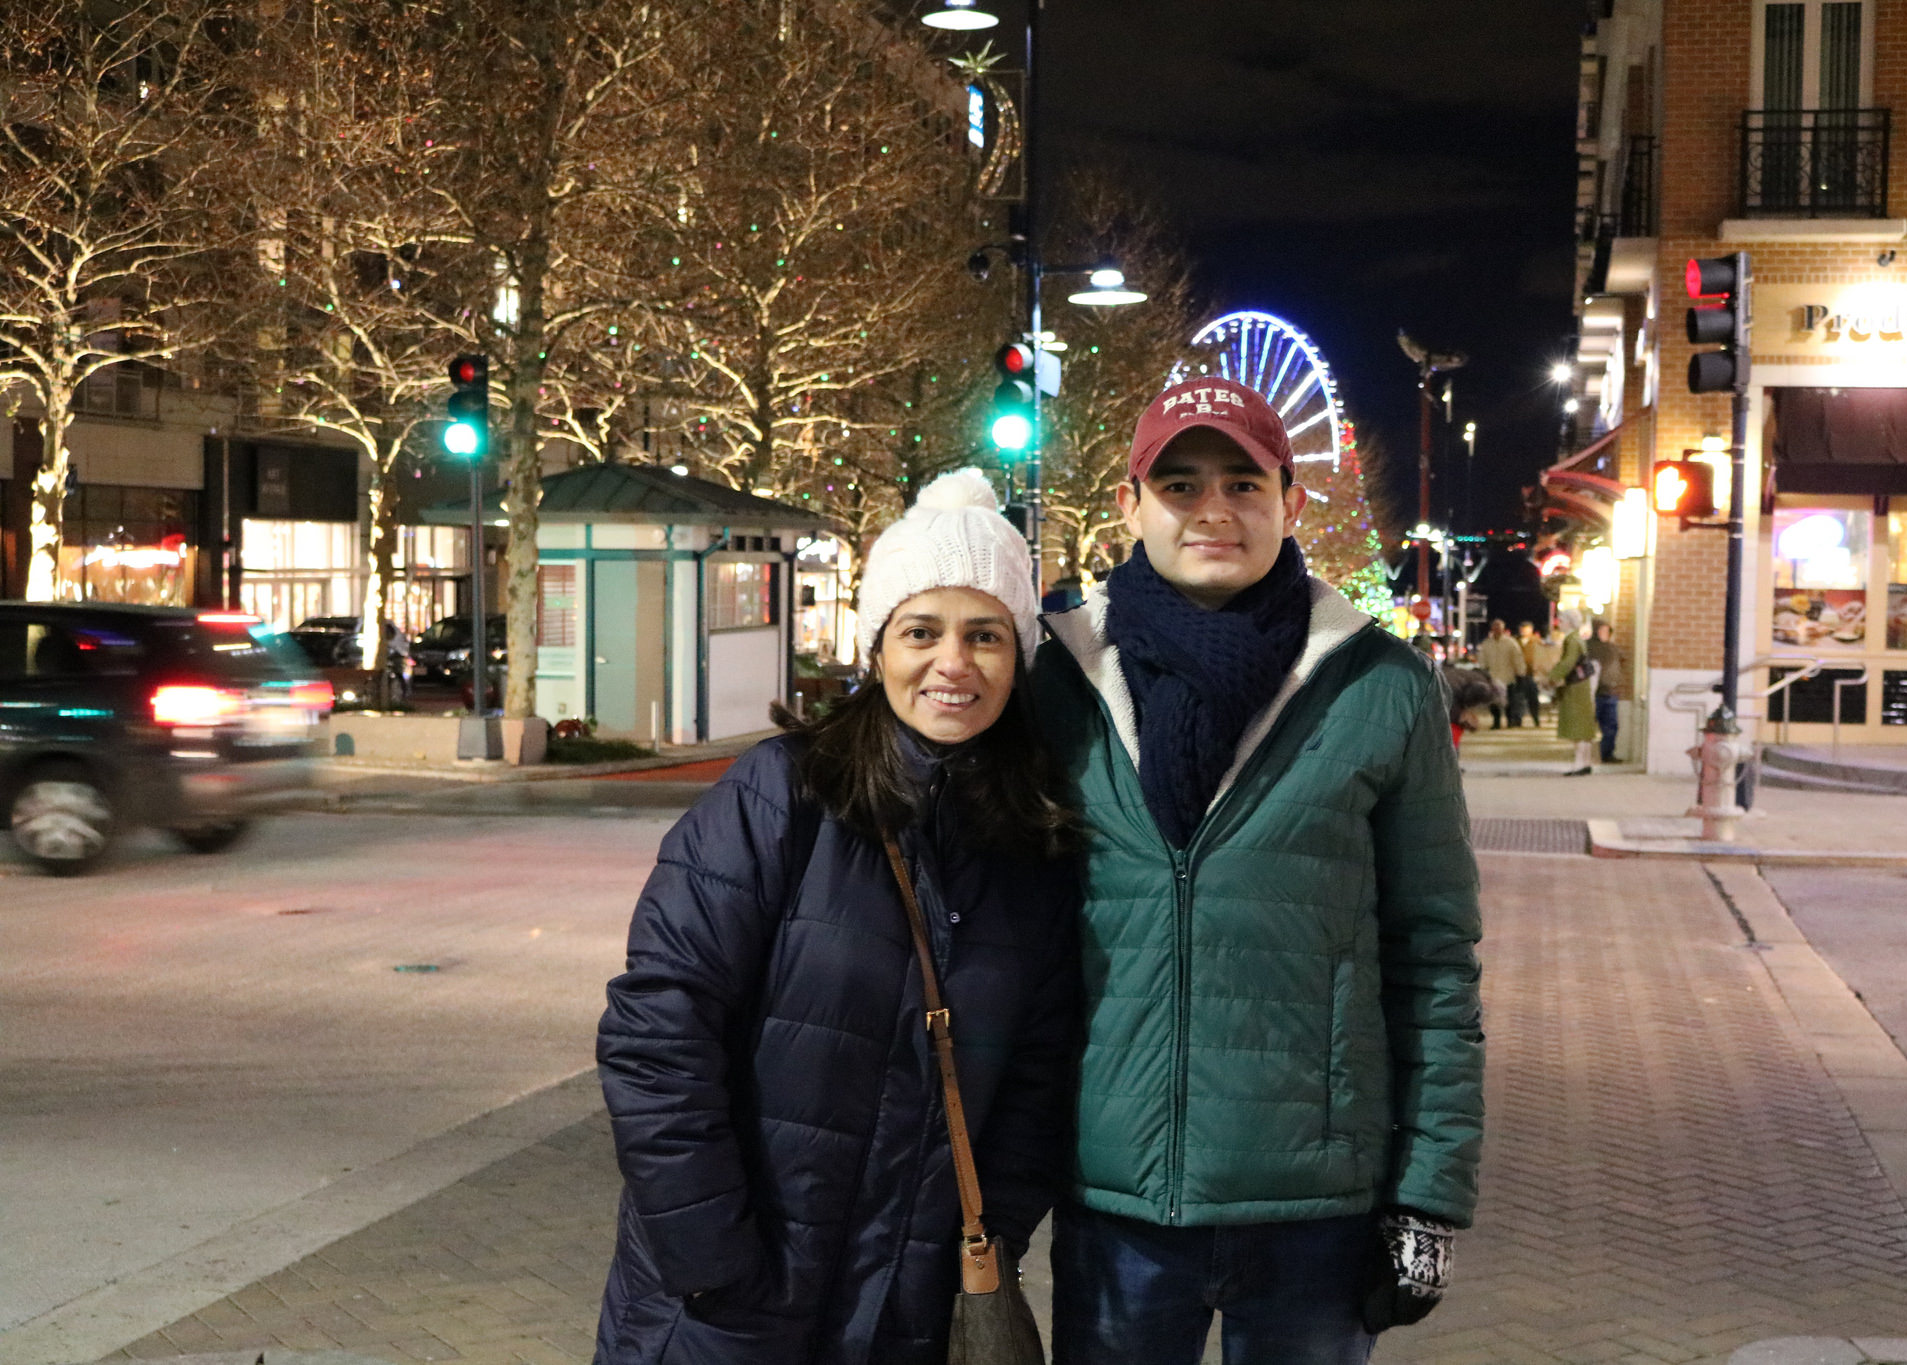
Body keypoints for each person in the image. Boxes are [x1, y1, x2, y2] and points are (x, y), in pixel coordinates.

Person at [1034, 377, 1485, 1365]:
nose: (1212, 510)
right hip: (1114, 1202)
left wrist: (1428, 1194)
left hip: (1315, 1212)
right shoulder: (1056, 677)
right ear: (1129, 504)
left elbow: (1432, 957)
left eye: (1242, 483)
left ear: (1290, 502)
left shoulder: (1376, 684)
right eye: (1179, 483)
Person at [594, 470, 1079, 1365]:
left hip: (907, 1309)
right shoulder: (782, 795)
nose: (954, 663)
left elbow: (1038, 1085)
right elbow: (657, 1029)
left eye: (986, 635)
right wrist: (710, 1255)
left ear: (1019, 656)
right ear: (877, 645)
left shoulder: (1029, 848)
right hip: (727, 1311)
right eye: (921, 632)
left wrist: (979, 1238)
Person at [1548, 608, 1599, 775]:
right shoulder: (1578, 639)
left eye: (1561, 621)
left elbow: (1568, 662)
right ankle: (1585, 762)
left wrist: (1552, 677)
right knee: (1583, 727)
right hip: (1582, 685)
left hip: (1575, 687)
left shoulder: (1572, 640)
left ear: (1569, 622)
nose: (1559, 624)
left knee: (1577, 727)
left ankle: (1579, 764)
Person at [1584, 619, 1624, 763]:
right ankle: (1589, 755)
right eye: (1602, 631)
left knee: (1611, 726)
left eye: (1607, 631)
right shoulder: (1588, 647)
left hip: (1610, 692)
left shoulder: (1612, 648)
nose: (1604, 634)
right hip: (1594, 693)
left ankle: (1606, 753)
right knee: (1590, 726)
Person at [1477, 618, 1528, 727]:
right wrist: (1482, 672)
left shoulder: (1510, 643)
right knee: (1493, 702)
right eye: (1495, 627)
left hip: (1508, 677)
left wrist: (1520, 672)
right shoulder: (1487, 644)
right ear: (1492, 629)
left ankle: (1510, 721)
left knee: (1509, 702)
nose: (1497, 630)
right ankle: (1496, 722)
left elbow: (1517, 658)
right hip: (1493, 677)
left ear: (1503, 629)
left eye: (1499, 628)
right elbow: (1482, 659)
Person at [1514, 620, 1544, 727]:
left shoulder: (1537, 641)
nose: (1523, 631)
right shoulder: (1515, 641)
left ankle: (1536, 719)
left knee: (1533, 699)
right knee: (1518, 699)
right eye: (1521, 629)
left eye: (1525, 629)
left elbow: (1543, 656)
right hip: (1518, 674)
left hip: (1532, 674)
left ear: (1530, 630)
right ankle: (1518, 720)